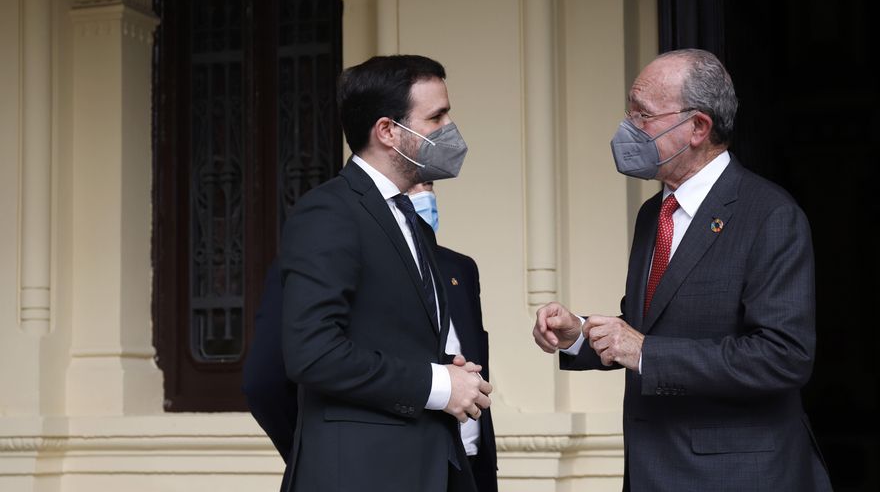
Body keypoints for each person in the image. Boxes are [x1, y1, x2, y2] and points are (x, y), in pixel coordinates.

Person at [532, 48, 832, 491]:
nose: (628, 127)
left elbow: (783, 357)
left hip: (735, 477)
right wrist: (579, 334)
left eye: (643, 115)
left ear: (698, 127)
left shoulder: (770, 214)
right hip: (653, 471)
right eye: (629, 112)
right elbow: (649, 326)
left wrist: (646, 353)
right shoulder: (654, 213)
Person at [278, 55, 491, 492]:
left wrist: (448, 370)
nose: (449, 128)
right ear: (388, 131)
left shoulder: (409, 219)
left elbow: (393, 335)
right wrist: (437, 383)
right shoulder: (330, 211)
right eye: (436, 117)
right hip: (361, 473)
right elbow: (311, 352)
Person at [242, 181, 498, 492]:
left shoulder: (459, 268)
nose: (420, 195)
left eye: (428, 184)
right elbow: (266, 381)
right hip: (372, 468)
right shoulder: (321, 252)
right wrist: (319, 450)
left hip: (463, 470)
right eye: (408, 186)